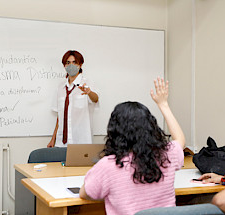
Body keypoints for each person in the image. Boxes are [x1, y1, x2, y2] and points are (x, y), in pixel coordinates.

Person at [79, 77, 186, 215]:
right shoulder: (167, 154)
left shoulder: (108, 165)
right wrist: (163, 104)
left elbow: (85, 193)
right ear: (151, 126)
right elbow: (180, 140)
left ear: (115, 130)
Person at [47, 50, 99, 147]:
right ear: (64, 66)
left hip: (81, 140)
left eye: (74, 62)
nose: (71, 65)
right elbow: (60, 116)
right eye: (68, 63)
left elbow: (95, 99)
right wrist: (53, 139)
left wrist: (89, 92)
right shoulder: (60, 87)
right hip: (61, 143)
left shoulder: (87, 83)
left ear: (80, 64)